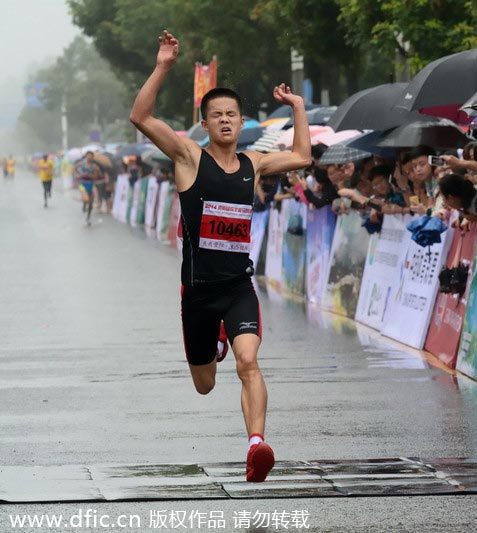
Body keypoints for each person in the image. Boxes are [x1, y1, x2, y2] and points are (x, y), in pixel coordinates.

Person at [129, 30, 311, 483]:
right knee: (206, 384)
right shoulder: (188, 157)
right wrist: (164, 65)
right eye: (217, 116)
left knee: (249, 362)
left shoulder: (254, 164)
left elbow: (304, 156)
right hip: (198, 294)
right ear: (206, 124)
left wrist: (299, 108)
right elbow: (140, 115)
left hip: (237, 288)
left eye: (232, 114)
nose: (225, 121)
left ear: (241, 121)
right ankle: (214, 344)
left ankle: (256, 445)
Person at [73, 152, 102, 225]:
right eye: (88, 156)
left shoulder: (95, 166)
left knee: (91, 204)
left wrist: (89, 175)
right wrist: (77, 175)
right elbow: (74, 168)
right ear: (86, 157)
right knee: (86, 199)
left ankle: (88, 218)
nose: (89, 157)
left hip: (91, 184)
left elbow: (96, 177)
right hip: (82, 184)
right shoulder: (81, 164)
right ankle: (84, 204)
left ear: (92, 158)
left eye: (90, 156)